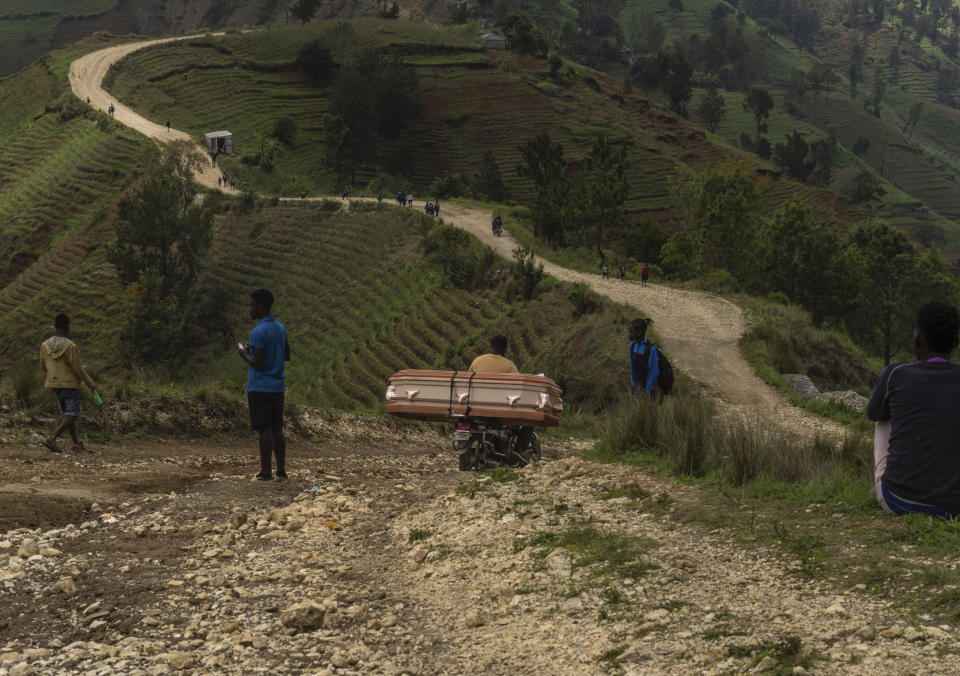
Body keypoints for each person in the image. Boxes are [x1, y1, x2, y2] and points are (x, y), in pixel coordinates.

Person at [867, 302, 960, 516]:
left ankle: (887, 483)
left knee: (882, 417)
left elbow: (872, 414)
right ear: (955, 342)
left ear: (917, 342)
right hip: (956, 508)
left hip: (898, 500)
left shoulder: (895, 374)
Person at [238, 289, 291, 482]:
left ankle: (266, 472)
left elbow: (258, 363)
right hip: (277, 386)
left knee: (264, 429)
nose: (250, 308)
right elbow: (287, 355)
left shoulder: (258, 331)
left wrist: (244, 354)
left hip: (260, 387)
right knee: (277, 428)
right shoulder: (281, 328)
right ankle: (281, 471)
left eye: (252, 305)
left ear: (260, 307)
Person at [40, 314, 100, 453]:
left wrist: (51, 375)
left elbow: (42, 365)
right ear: (67, 326)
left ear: (55, 326)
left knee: (68, 414)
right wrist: (91, 384)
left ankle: (75, 443)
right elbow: (78, 369)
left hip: (53, 384)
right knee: (73, 414)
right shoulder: (70, 346)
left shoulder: (44, 345)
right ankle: (52, 437)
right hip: (69, 384)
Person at [468, 335, 533, 453]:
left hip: (476, 406)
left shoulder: (477, 361)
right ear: (505, 349)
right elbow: (518, 387)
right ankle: (520, 450)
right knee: (529, 422)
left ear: (491, 346)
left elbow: (467, 380)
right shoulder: (509, 365)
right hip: (500, 409)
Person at [628, 318, 660, 397]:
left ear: (639, 333)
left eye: (631, 332)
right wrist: (633, 382)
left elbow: (653, 372)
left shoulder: (651, 350)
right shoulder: (632, 346)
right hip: (636, 386)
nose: (629, 334)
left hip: (648, 389)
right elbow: (632, 365)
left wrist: (648, 391)